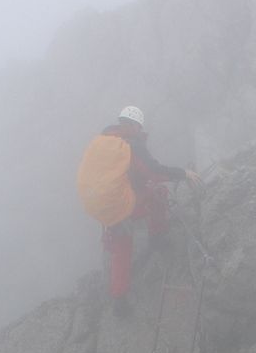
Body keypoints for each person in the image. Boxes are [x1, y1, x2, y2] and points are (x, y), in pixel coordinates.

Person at [76, 106, 201, 300]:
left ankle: (119, 299)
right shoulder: (132, 145)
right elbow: (154, 172)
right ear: (134, 126)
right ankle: (158, 235)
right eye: (139, 127)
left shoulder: (103, 141)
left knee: (120, 245)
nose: (140, 131)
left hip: (100, 203)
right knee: (159, 193)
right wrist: (183, 173)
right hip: (122, 203)